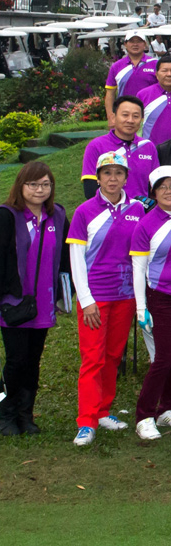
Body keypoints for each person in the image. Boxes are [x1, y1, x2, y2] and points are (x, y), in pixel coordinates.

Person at [67, 152, 142, 446]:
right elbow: (76, 259)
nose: (113, 179)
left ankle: (103, 410)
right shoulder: (85, 211)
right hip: (95, 299)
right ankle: (86, 421)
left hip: (124, 296)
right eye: (107, 173)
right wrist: (85, 300)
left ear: (126, 177)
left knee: (112, 356)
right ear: (97, 177)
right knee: (92, 359)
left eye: (118, 173)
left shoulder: (137, 209)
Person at [0, 163, 67, 437]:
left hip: (43, 302)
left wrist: (65, 294)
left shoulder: (58, 215)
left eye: (45, 184)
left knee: (32, 360)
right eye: (33, 184)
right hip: (13, 303)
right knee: (16, 360)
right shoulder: (7, 216)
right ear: (21, 186)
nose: (40, 189)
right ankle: (6, 416)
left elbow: (65, 256)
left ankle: (26, 416)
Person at [130, 166, 171, 441]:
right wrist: (141, 307)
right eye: (162, 187)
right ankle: (144, 414)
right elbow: (138, 267)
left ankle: (168, 408)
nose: (169, 191)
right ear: (154, 193)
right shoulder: (146, 223)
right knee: (163, 357)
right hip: (161, 297)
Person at [82, 94, 160, 200]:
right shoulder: (96, 146)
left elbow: (156, 186)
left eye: (136, 116)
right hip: (108, 213)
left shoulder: (148, 146)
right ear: (113, 118)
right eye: (125, 115)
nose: (130, 120)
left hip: (141, 213)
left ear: (141, 120)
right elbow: (90, 190)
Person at [105, 32, 159, 122]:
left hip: (150, 113)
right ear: (125, 44)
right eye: (131, 41)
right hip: (124, 114)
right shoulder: (117, 66)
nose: (135, 44)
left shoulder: (155, 64)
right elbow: (110, 93)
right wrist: (110, 116)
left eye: (139, 41)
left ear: (145, 44)